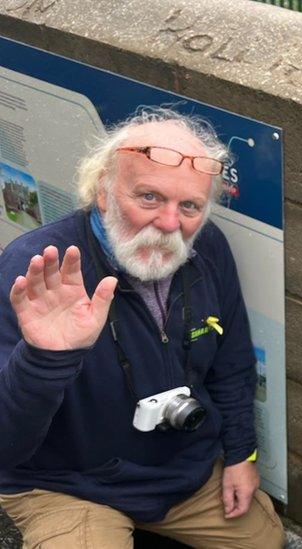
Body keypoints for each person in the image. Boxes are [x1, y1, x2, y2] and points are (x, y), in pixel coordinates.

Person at [0, 107, 285, 547]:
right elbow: (6, 447)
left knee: (262, 542)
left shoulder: (206, 249)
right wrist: (43, 360)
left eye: (189, 205)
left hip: (178, 469)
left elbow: (232, 362)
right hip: (65, 482)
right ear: (102, 191)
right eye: (149, 197)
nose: (170, 224)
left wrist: (241, 455)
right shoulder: (34, 269)